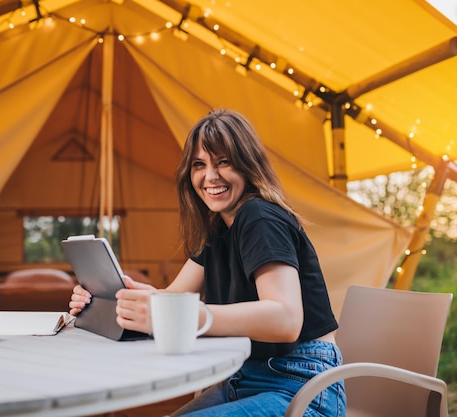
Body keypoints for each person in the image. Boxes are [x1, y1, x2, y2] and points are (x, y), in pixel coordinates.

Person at [69, 109, 346, 416]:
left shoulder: (259, 217)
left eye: (223, 162)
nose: (210, 176)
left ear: (247, 164)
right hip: (244, 376)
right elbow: (174, 298)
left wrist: (189, 316)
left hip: (301, 385)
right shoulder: (217, 228)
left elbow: (286, 320)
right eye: (199, 164)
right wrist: (119, 295)